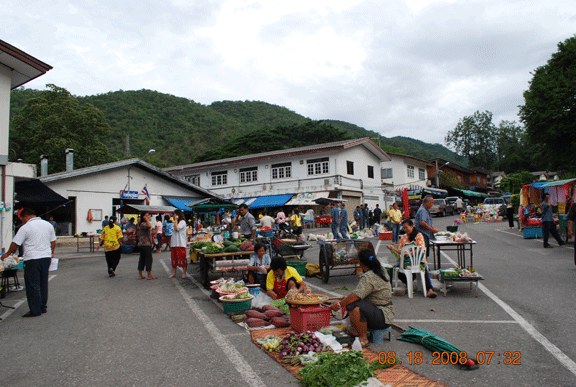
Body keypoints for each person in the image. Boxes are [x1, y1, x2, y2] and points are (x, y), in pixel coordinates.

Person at [330, 248, 394, 346]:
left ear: (361, 263)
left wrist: (339, 304)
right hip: (386, 314)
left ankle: (363, 337)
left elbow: (356, 296)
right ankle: (355, 330)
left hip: (382, 317)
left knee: (354, 305)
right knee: (351, 303)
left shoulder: (369, 276)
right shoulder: (381, 270)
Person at [1, 208, 56, 317]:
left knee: (32, 285)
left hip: (32, 259)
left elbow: (15, 243)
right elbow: (53, 241)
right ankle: (42, 306)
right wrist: (51, 253)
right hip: (46, 258)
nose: (22, 221)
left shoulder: (25, 227)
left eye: (22, 219)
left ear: (26, 216)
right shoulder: (48, 225)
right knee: (43, 283)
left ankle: (35, 310)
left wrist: (6, 254)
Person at [387, 219, 437, 298]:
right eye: (404, 228)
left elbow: (421, 248)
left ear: (412, 226)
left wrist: (408, 252)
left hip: (418, 260)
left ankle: (430, 290)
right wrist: (392, 248)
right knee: (399, 272)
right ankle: (409, 284)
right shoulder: (403, 237)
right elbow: (400, 251)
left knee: (424, 268)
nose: (405, 230)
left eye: (407, 228)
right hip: (406, 261)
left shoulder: (419, 235)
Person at [137, 211, 156, 280]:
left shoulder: (141, 224)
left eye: (148, 215)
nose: (148, 216)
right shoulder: (143, 223)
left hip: (143, 243)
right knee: (148, 259)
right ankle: (149, 275)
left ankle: (140, 275)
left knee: (142, 258)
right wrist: (147, 220)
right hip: (146, 244)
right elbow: (149, 226)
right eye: (146, 215)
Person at [169, 209, 188, 279]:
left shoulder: (182, 222)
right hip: (174, 243)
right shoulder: (175, 222)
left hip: (180, 243)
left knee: (182, 258)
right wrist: (174, 221)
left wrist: (175, 220)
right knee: (174, 259)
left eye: (174, 214)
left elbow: (177, 229)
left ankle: (184, 273)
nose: (173, 215)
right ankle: (174, 273)